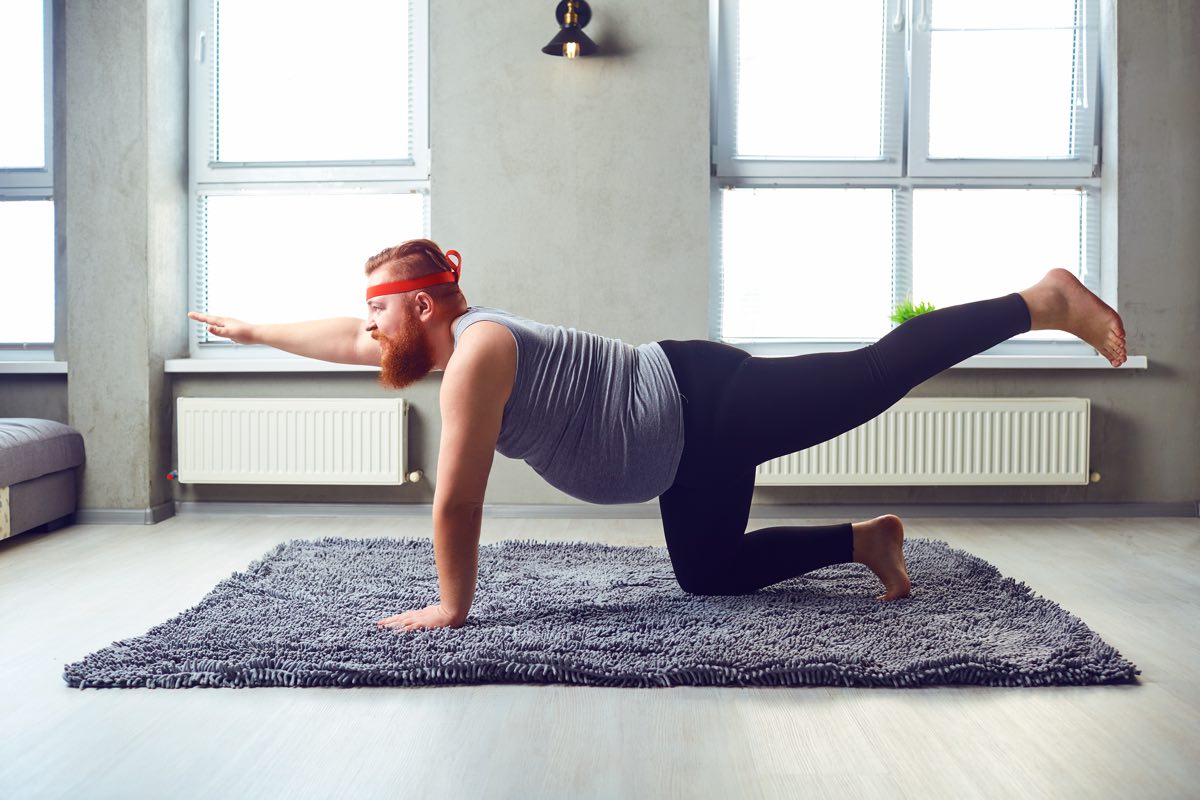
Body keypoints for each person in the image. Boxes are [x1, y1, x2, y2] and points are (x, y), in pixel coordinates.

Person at [188, 239, 1127, 632]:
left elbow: (457, 498)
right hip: (681, 451)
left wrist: (452, 607)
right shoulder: (442, 341)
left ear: (424, 305)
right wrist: (252, 331)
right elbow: (347, 343)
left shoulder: (475, 356)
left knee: (874, 375)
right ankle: (866, 541)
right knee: (706, 574)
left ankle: (1039, 299)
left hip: (701, 402)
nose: (369, 335)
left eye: (379, 318)